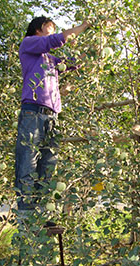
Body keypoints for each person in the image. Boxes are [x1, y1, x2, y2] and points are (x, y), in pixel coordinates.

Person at [14, 16, 90, 219]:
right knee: (27, 163)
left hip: (52, 116)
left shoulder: (50, 59)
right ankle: (25, 216)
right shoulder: (29, 43)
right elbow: (54, 40)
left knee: (48, 165)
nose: (53, 32)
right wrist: (82, 26)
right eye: (50, 28)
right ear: (38, 29)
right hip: (33, 112)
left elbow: (72, 64)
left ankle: (41, 214)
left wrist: (90, 48)